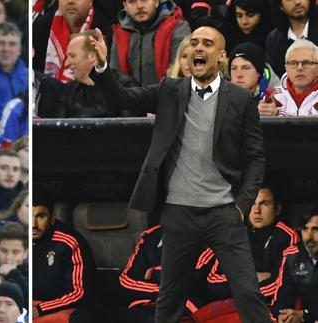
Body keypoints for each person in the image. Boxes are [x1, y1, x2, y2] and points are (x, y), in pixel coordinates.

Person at [88, 25, 270, 322]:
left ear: (221, 55)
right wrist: (102, 66)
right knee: (169, 298)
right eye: (194, 42)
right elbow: (121, 98)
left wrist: (241, 207)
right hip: (179, 213)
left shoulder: (240, 99)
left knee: (248, 293)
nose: (199, 48)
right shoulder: (170, 90)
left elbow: (256, 158)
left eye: (208, 43)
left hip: (223, 213)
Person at [32, 191, 95, 322]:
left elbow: (79, 292)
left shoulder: (69, 242)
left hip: (59, 308)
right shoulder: (19, 238)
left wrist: (41, 309)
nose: (33, 224)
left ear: (52, 217)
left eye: (40, 216)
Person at [110, 0, 190, 86]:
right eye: (132, 1)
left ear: (156, 2)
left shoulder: (178, 28)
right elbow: (115, 75)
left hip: (168, 96)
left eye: (144, 0)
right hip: (129, 96)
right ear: (125, 5)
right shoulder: (120, 33)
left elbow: (180, 73)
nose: (139, 6)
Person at [272, 209, 318, 323]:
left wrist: (304, 315)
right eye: (305, 229)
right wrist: (283, 316)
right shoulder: (293, 255)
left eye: (316, 229)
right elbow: (282, 298)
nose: (309, 236)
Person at [259, 39, 318, 116]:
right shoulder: (273, 97)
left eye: (306, 63)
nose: (299, 68)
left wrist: (277, 115)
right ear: (286, 68)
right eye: (293, 63)